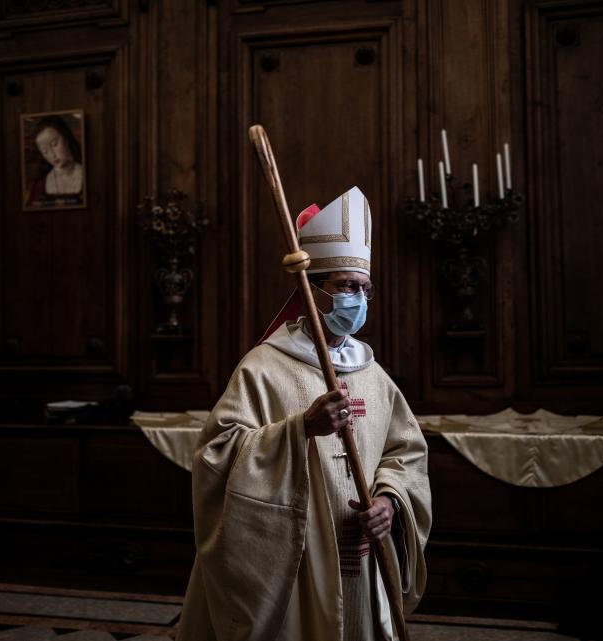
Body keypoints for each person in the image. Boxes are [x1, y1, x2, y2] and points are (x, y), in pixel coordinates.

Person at [178, 186, 431, 641]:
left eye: (365, 289)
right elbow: (215, 456)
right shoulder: (264, 366)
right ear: (311, 291)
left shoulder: (372, 373)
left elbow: (405, 453)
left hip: (362, 551)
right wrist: (299, 431)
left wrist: (389, 501)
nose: (358, 299)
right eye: (346, 287)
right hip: (294, 561)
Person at [25, 115, 84, 207]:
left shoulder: (86, 172)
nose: (52, 155)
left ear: (66, 138)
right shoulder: (41, 184)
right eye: (45, 151)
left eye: (54, 144)